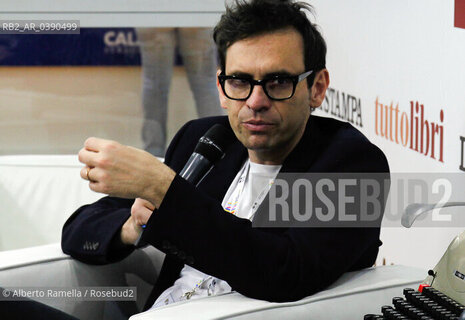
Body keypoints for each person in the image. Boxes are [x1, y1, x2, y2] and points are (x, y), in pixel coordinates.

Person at [61, 0, 389, 315]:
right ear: (221, 88)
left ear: (317, 87)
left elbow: (284, 271)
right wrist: (132, 227)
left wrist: (165, 188)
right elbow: (77, 231)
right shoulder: (205, 139)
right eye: (239, 81)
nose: (255, 101)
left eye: (277, 82)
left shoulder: (352, 163)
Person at [136, 27, 222, 156]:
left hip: (155, 11)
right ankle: (218, 146)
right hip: (193, 11)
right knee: (206, 85)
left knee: (154, 84)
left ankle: (153, 153)